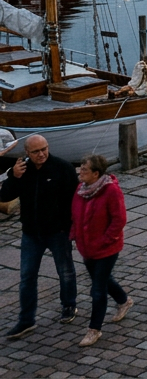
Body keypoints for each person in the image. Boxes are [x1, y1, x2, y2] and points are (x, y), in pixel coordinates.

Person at [2, 135, 79, 339]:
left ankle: (69, 305)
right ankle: (26, 320)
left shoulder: (62, 168)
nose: (41, 154)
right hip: (31, 233)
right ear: (26, 153)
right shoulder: (22, 171)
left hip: (57, 232)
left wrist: (68, 227)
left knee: (65, 271)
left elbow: (75, 200)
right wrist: (13, 177)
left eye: (44, 149)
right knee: (27, 277)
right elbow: (4, 196)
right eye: (36, 151)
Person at [69, 155, 130, 347]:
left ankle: (94, 329)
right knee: (103, 280)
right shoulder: (81, 189)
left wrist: (106, 240)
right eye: (81, 168)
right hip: (87, 247)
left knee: (97, 289)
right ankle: (124, 301)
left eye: (85, 169)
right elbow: (75, 213)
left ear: (96, 173)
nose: (81, 172)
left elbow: (119, 219)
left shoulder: (111, 191)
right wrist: (74, 234)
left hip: (106, 248)